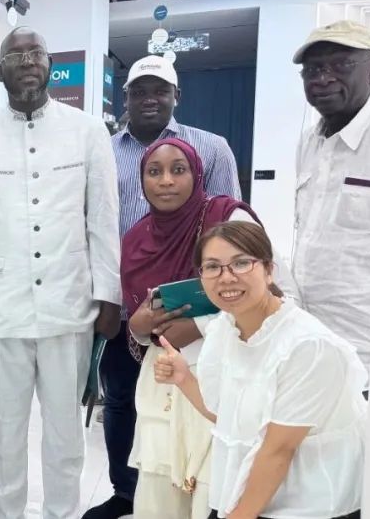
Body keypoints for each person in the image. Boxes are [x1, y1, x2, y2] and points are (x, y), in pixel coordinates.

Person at [0, 27, 122, 519]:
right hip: (0, 309)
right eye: (16, 55)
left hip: (70, 306)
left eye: (36, 54)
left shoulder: (87, 131)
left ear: (51, 66)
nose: (27, 61)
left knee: (65, 435)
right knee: (2, 433)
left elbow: (102, 218)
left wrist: (109, 295)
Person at [88, 55, 242, 519]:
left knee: (203, 401)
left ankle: (203, 492)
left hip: (203, 308)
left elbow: (232, 229)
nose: (149, 99)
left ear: (178, 95)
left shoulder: (210, 147)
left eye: (160, 90)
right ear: (125, 97)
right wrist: (107, 300)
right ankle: (128, 491)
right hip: (129, 299)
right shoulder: (104, 150)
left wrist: (208, 312)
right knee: (125, 399)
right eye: (139, 91)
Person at [121, 138, 294, 519]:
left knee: (214, 489)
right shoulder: (136, 238)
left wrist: (200, 325)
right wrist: (137, 327)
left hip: (225, 378)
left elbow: (280, 296)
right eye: (154, 171)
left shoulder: (228, 219)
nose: (166, 180)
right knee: (159, 496)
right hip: (162, 380)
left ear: (197, 173)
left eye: (178, 169)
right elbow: (141, 322)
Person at [155, 221, 365, 519]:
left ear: (269, 270)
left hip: (310, 505)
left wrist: (240, 514)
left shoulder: (308, 347)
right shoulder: (225, 329)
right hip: (249, 493)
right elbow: (228, 416)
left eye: (241, 263)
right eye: (212, 267)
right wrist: (184, 378)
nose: (226, 277)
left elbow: (279, 449)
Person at [292, 20, 370, 376]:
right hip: (310, 337)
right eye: (313, 69)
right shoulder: (309, 141)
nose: (323, 78)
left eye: (341, 64)